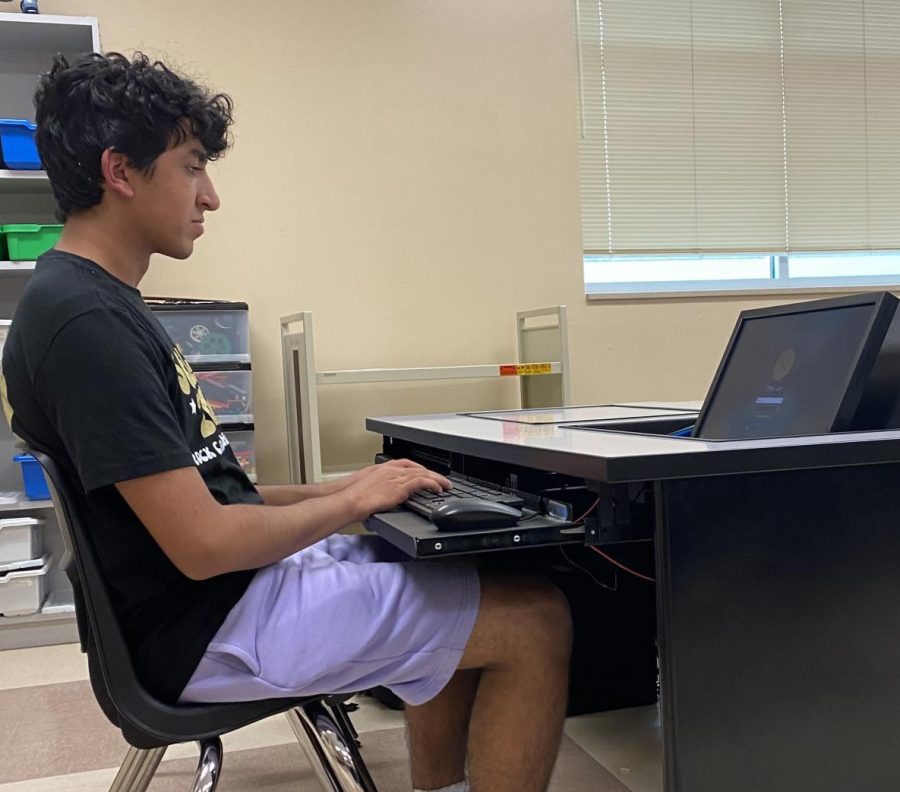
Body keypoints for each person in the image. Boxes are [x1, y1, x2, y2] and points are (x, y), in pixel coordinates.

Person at [1, 52, 572, 792]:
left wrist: (351, 488)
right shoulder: (86, 325)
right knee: (536, 618)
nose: (210, 196)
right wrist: (348, 506)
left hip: (214, 604)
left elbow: (213, 499)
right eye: (192, 166)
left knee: (453, 570)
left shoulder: (92, 303)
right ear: (121, 171)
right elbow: (206, 544)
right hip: (210, 624)